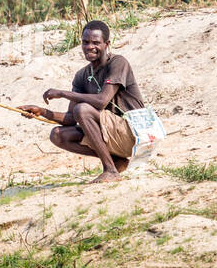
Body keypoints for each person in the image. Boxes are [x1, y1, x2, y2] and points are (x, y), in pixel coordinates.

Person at [19, 19, 145, 182]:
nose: (89, 47)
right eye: (85, 42)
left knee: (83, 109)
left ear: (106, 44)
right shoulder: (82, 76)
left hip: (134, 134)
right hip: (112, 135)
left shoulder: (118, 62)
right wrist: (42, 112)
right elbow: (72, 118)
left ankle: (110, 170)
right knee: (57, 135)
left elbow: (101, 101)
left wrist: (63, 93)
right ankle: (116, 160)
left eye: (95, 42)